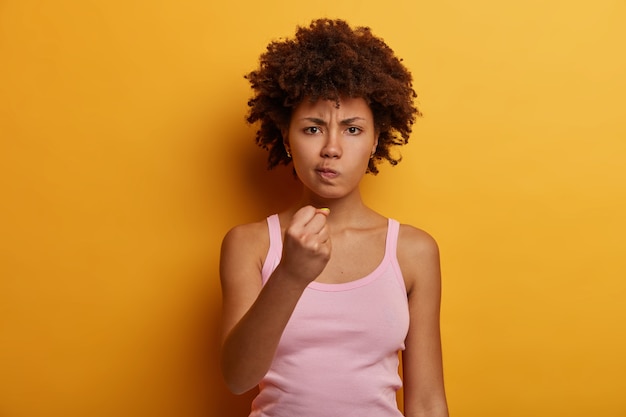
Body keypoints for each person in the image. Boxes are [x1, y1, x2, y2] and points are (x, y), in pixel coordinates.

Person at [219, 18, 449, 417]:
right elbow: (238, 378)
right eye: (312, 128)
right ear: (287, 138)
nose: (331, 148)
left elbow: (427, 401)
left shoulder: (413, 251)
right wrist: (291, 275)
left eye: (353, 129)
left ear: (376, 139)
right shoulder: (250, 244)